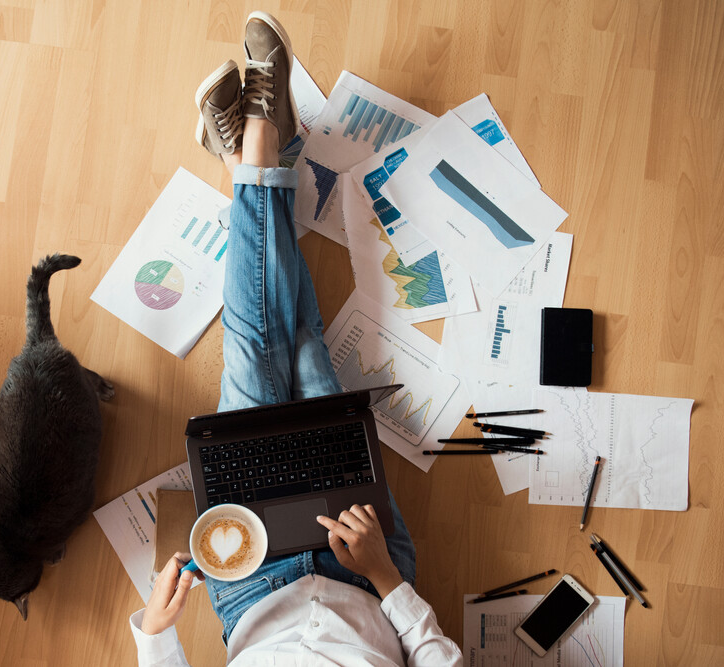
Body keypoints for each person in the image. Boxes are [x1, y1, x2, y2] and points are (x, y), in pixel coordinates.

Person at [128, 12, 463, 666]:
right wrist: (386, 577)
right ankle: (257, 144)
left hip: (248, 577)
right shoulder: (376, 573)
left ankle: (258, 141)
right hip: (366, 567)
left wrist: (157, 634)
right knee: (305, 350)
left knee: (255, 350)